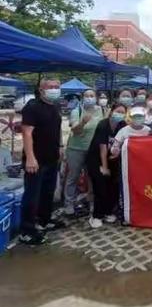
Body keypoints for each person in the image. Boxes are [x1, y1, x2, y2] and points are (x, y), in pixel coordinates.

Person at [19, 79, 65, 245]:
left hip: (52, 158)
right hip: (36, 160)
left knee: (48, 192)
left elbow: (58, 128)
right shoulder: (32, 107)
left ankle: (45, 220)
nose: (54, 89)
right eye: (50, 87)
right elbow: (26, 133)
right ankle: (27, 230)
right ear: (41, 89)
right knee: (32, 195)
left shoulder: (55, 106)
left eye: (57, 87)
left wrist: (60, 145)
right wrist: (30, 157)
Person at [86, 103, 127, 229]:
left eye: (122, 112)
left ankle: (108, 211)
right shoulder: (103, 125)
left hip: (112, 160)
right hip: (96, 159)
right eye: (117, 111)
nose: (119, 114)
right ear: (111, 111)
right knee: (100, 185)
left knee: (113, 186)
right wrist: (104, 167)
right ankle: (96, 216)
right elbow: (102, 147)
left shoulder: (122, 125)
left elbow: (123, 142)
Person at [64, 89, 103, 217]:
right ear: (82, 98)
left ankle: (91, 202)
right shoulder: (77, 111)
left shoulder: (101, 111)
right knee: (73, 176)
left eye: (92, 95)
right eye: (86, 96)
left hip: (93, 150)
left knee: (92, 177)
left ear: (96, 98)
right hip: (76, 149)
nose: (89, 98)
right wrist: (83, 122)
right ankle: (69, 203)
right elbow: (75, 130)